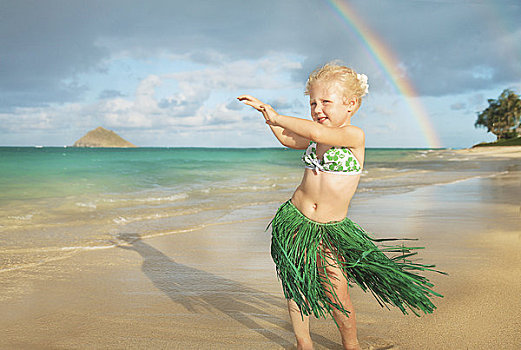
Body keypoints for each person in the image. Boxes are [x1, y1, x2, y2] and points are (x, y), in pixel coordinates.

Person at [238, 62, 442, 350]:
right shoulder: (313, 137)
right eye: (312, 103)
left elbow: (319, 134)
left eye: (326, 102)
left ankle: (351, 345)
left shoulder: (353, 136)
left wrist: (279, 115)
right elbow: (288, 138)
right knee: (296, 286)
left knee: (336, 289)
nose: (317, 108)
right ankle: (303, 343)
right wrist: (269, 118)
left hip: (330, 229)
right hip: (295, 219)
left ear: (351, 104)